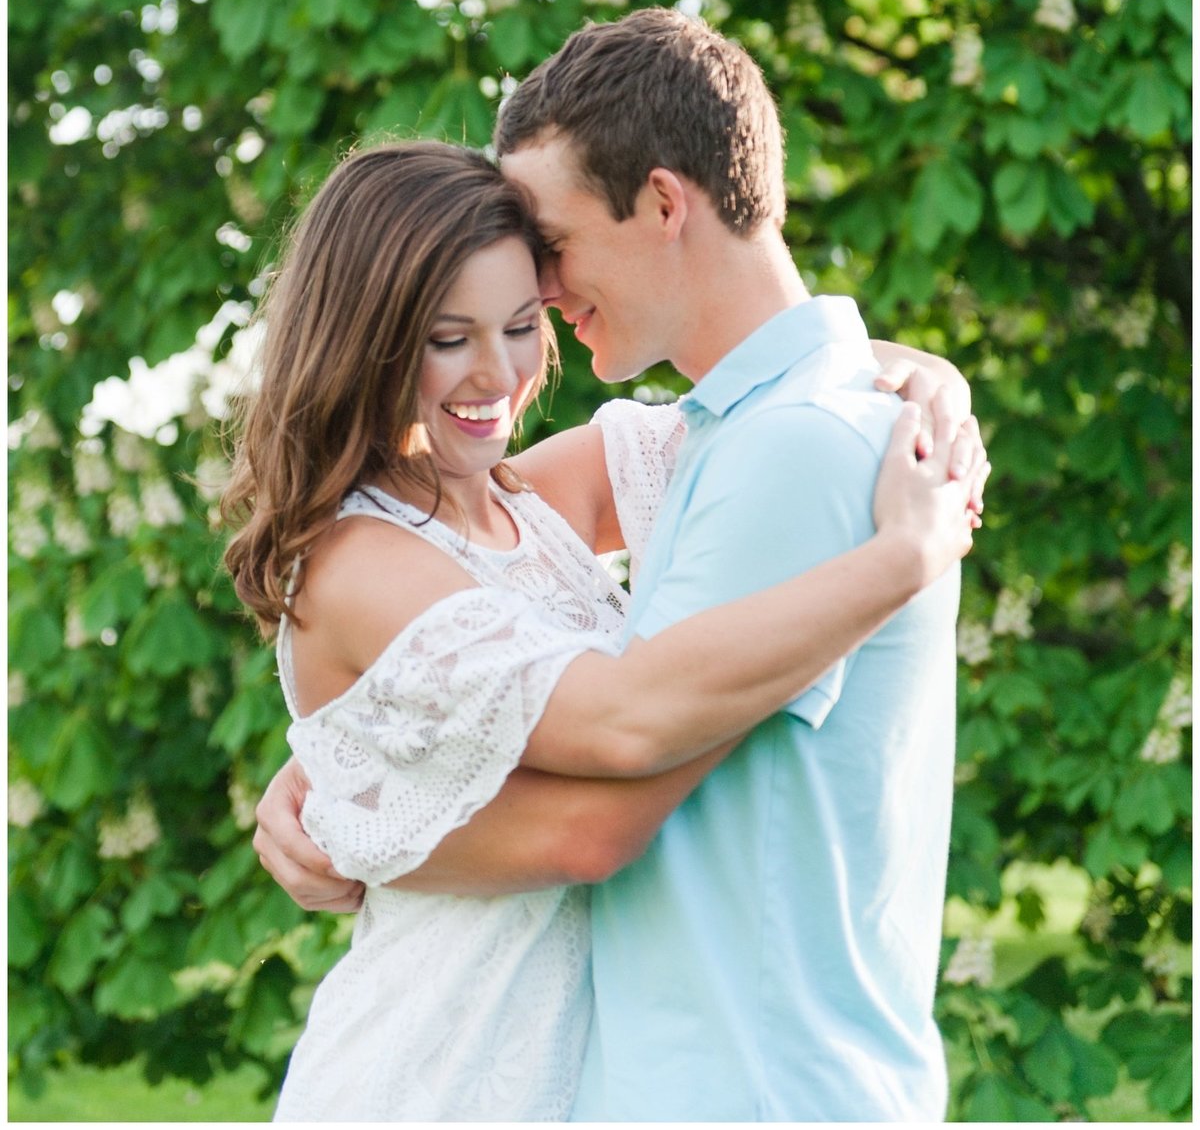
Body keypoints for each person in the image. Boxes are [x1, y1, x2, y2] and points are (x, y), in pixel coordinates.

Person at [231, 123, 984, 1121]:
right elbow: (606, 783)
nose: (495, 373)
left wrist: (930, 375)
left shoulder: (515, 503)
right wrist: (902, 559)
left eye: (520, 321)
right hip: (437, 1075)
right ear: (367, 338)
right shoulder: (361, 559)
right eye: (448, 338)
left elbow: (769, 395)